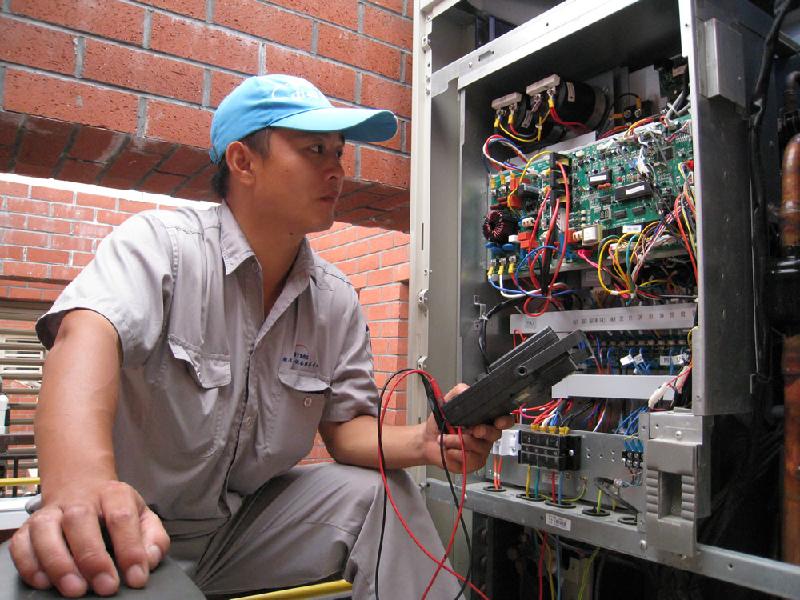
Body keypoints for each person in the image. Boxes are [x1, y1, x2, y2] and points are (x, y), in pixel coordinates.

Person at [9, 74, 512, 598]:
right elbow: (83, 337)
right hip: (124, 528)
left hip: (240, 532)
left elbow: (346, 431)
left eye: (338, 152)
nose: (337, 169)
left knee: (383, 494)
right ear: (243, 162)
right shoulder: (163, 247)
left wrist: (424, 441)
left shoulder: (334, 298)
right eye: (314, 149)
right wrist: (81, 487)